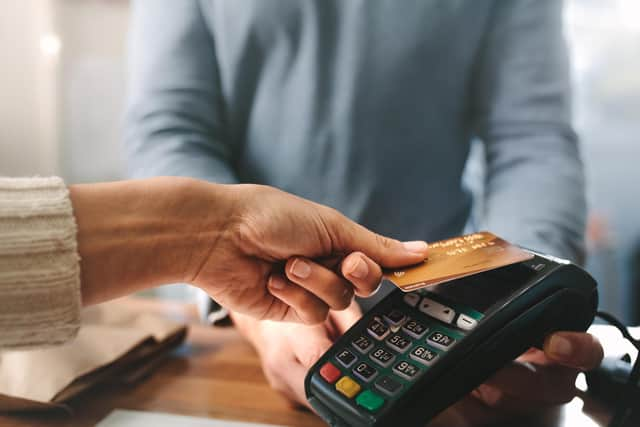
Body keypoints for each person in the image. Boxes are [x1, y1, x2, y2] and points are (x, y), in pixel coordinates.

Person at [124, 0, 604, 421]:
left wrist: (520, 301)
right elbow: (170, 129)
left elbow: (531, 138)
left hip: (441, 320)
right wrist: (250, 297)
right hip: (239, 331)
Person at [0, 176, 428, 348]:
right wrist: (216, 240)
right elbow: (168, 124)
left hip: (425, 310)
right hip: (239, 329)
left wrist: (215, 237)